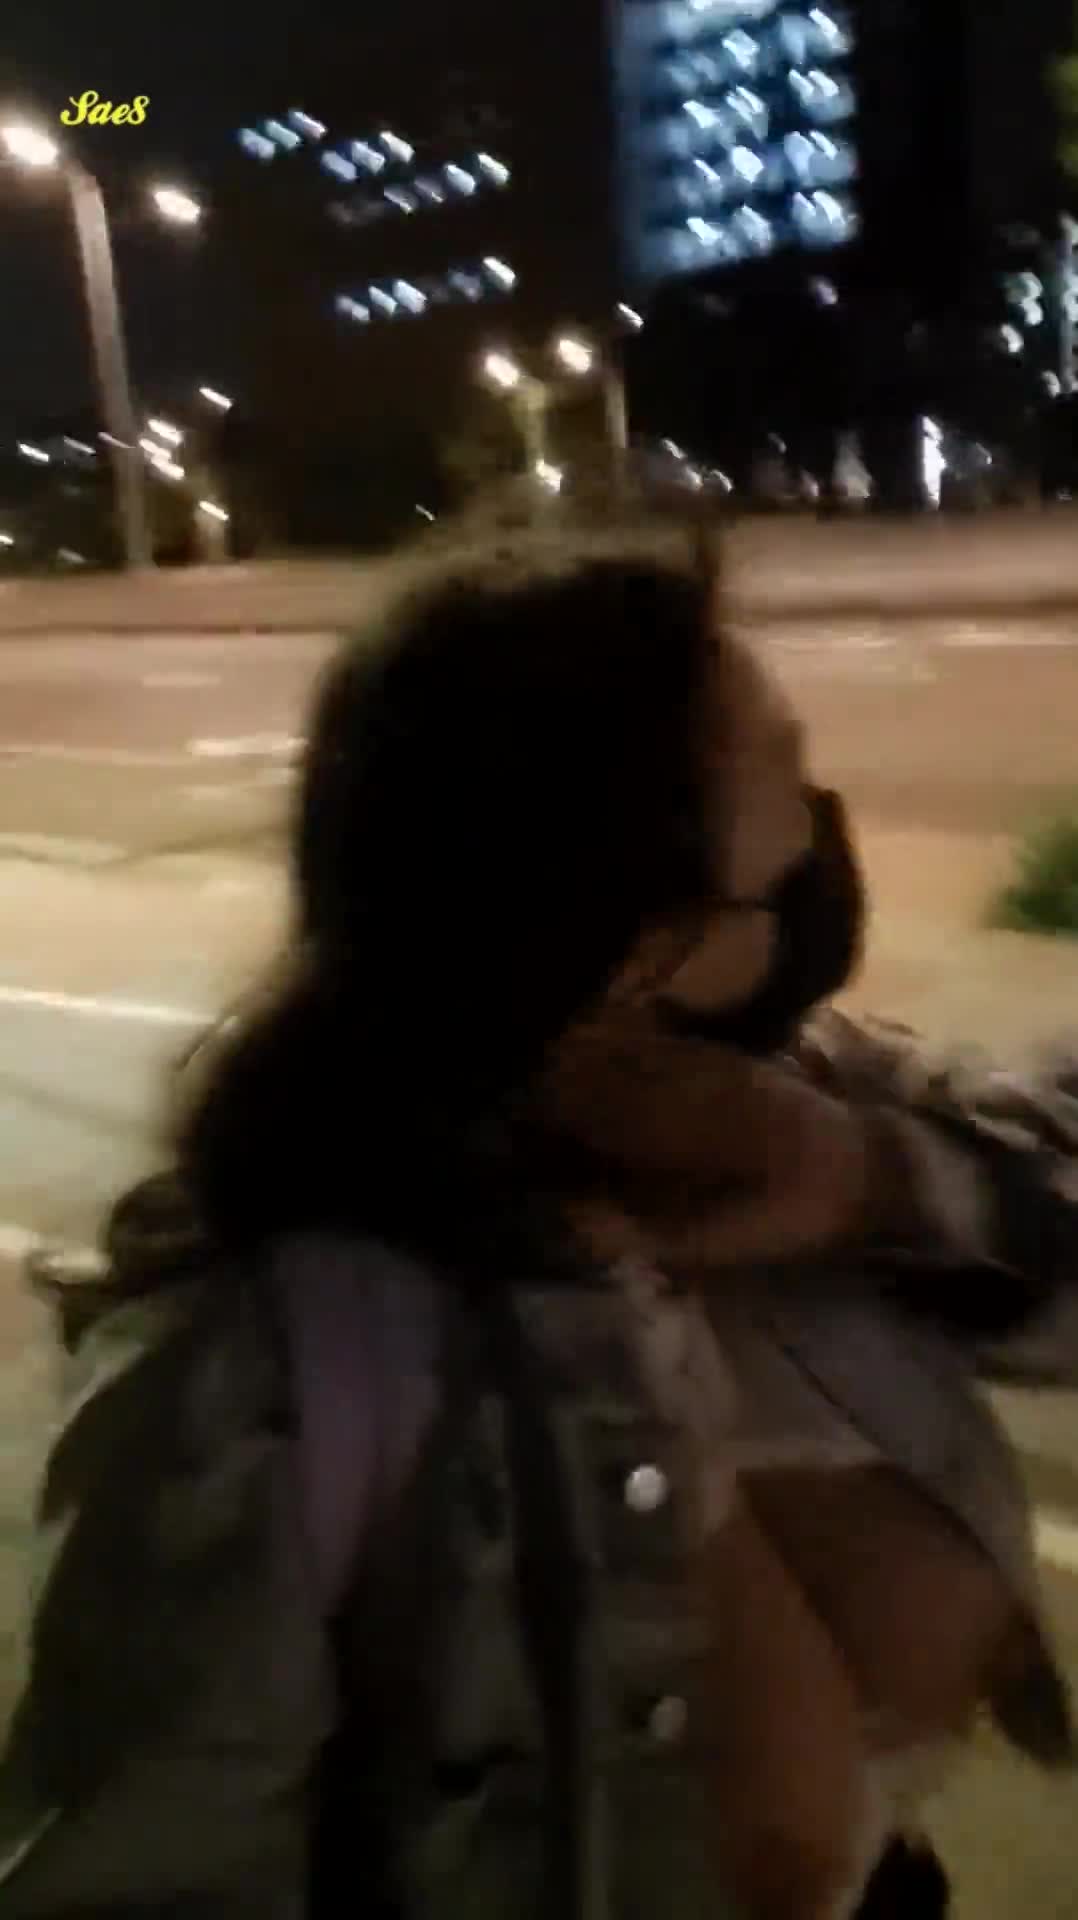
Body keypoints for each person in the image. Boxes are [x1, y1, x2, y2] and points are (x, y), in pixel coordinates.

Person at [1, 531, 1077, 1920]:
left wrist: (871, 1180)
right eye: (780, 773)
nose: (823, 831)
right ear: (633, 937)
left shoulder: (811, 1094)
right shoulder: (278, 1373)